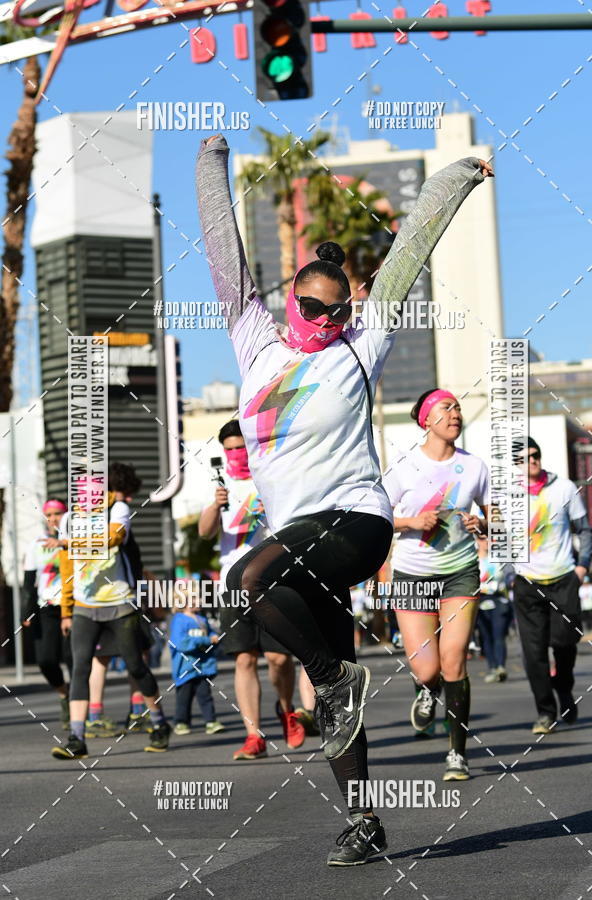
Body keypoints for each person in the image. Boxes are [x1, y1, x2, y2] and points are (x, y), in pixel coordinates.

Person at [196, 132, 491, 863]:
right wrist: (210, 166)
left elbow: (412, 247)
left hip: (357, 524)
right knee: (334, 693)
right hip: (301, 537)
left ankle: (335, 679)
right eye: (311, 309)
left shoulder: (361, 346)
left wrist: (455, 176)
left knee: (245, 579)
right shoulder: (254, 341)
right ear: (289, 300)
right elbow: (224, 252)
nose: (324, 323)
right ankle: (366, 819)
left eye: (334, 312)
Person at [383, 389, 489, 780]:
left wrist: (485, 524)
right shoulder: (404, 468)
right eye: (446, 408)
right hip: (412, 573)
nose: (455, 413)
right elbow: (377, 517)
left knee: (454, 658)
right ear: (426, 419)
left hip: (460, 570)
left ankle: (457, 755)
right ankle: (426, 691)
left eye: (458, 407)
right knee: (427, 670)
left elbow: (494, 513)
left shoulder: (475, 466)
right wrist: (412, 522)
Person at [198, 419, 305, 759]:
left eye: (240, 447)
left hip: (272, 578)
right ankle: (253, 735)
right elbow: (204, 533)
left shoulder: (270, 475)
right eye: (229, 449)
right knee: (244, 659)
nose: (235, 454)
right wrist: (216, 506)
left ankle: (286, 709)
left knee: (278, 658)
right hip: (232, 581)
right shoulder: (219, 483)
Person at [51, 476, 171, 760]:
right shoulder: (69, 518)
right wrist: (66, 610)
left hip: (120, 603)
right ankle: (76, 738)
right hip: (84, 605)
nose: (86, 496)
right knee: (80, 668)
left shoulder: (116, 510)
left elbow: (115, 537)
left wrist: (71, 542)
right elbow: (67, 567)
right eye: (80, 491)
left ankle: (158, 722)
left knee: (135, 665)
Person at [512, 437, 592, 733]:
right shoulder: (507, 495)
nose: (532, 461)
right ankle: (545, 712)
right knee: (533, 653)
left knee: (564, 643)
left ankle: (564, 688)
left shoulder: (564, 488)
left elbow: (584, 529)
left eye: (535, 455)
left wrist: (582, 567)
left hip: (563, 580)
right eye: (524, 458)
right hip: (527, 583)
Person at [22, 499, 72, 729]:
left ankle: (83, 711)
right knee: (45, 660)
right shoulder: (36, 544)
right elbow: (29, 582)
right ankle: (64, 695)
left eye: (58, 513)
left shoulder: (76, 542)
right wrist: (26, 612)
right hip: (46, 608)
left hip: (72, 606)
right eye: (49, 514)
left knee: (73, 660)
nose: (53, 518)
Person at [170, 585, 224, 735]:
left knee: (205, 695)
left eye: (199, 597)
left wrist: (214, 638)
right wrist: (206, 640)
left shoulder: (202, 619)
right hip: (185, 668)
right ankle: (181, 722)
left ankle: (211, 721)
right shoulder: (179, 620)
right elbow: (181, 643)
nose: (199, 600)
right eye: (194, 598)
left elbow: (211, 633)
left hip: (203, 667)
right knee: (184, 698)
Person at [476, 535, 512, 683]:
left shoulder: (499, 557)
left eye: (488, 538)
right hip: (480, 601)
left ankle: (500, 667)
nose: (486, 542)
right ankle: (492, 667)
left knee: (498, 634)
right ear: (477, 541)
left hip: (498, 599)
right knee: (486, 636)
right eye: (482, 538)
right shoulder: (472, 559)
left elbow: (509, 575)